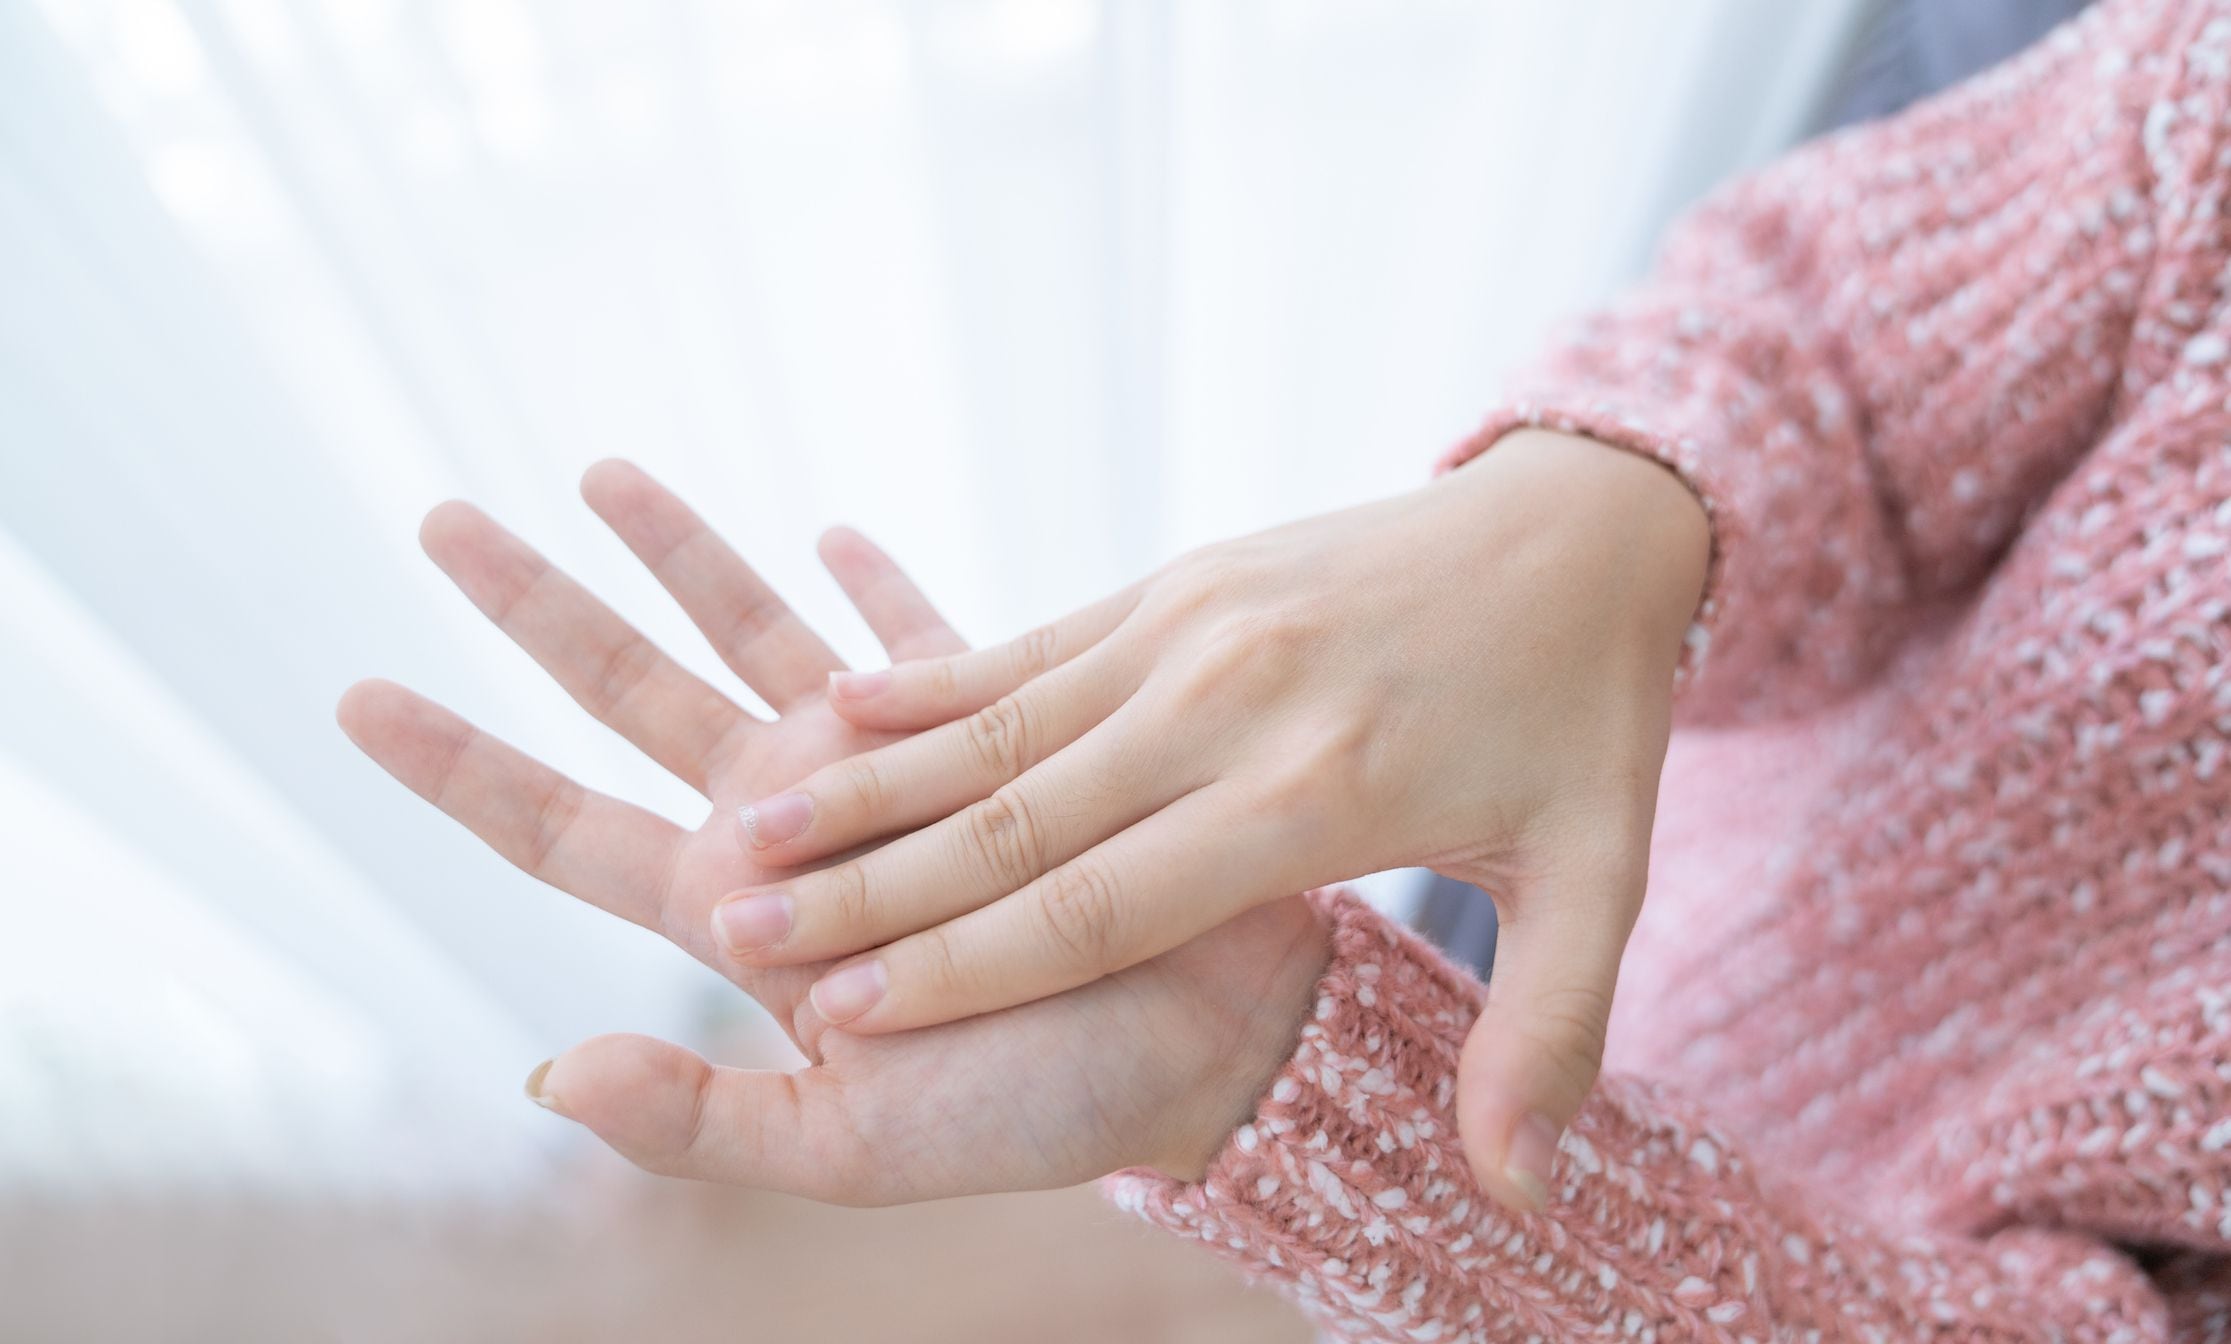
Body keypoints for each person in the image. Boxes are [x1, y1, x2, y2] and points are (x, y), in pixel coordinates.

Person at [345, 0, 2231, 1336]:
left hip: (1592, 1225)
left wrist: (1292, 1093)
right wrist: (1611, 516)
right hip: (1555, 886)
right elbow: (1866, 324)